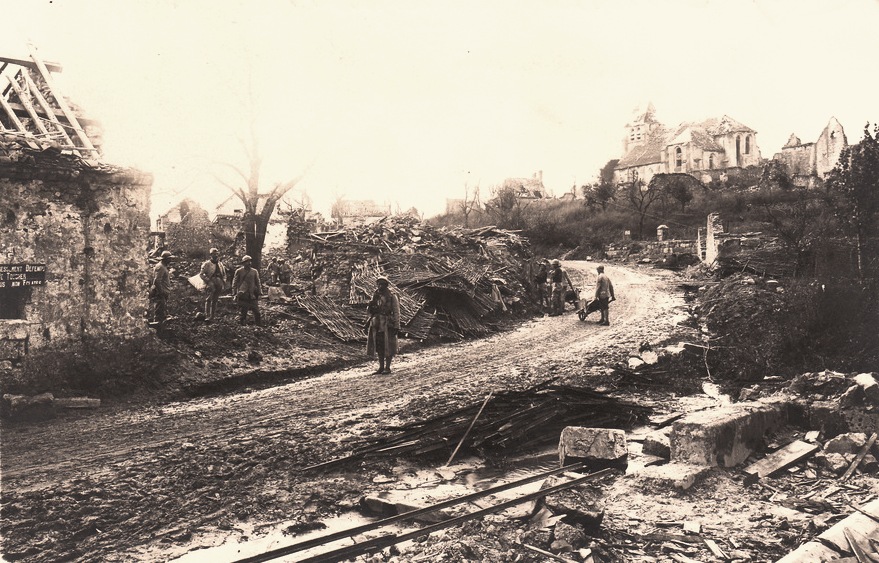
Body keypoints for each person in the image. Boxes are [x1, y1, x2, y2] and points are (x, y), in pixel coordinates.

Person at [366, 276, 400, 374]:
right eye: (378, 284)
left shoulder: (391, 296)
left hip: (387, 323)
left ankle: (387, 367)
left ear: (386, 285)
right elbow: (370, 311)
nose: (380, 286)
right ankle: (381, 367)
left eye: (382, 284)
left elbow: (396, 312)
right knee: (379, 346)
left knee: (388, 345)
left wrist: (397, 325)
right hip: (376, 324)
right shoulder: (375, 295)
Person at [232, 255, 262, 326]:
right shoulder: (239, 271)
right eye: (247, 262)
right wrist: (234, 293)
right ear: (243, 263)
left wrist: (260, 293)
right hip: (243, 295)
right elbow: (235, 282)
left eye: (250, 261)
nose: (249, 263)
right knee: (243, 313)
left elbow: (258, 282)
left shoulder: (254, 271)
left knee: (257, 312)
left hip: (252, 295)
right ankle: (242, 328)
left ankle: (259, 327)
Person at [199, 247, 227, 321]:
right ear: (210, 255)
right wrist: (208, 281)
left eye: (216, 254)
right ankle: (207, 315)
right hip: (211, 283)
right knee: (209, 299)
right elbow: (201, 274)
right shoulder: (207, 264)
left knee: (215, 299)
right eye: (214, 254)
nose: (216, 255)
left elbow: (224, 274)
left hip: (219, 282)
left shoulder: (220, 264)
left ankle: (212, 316)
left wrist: (223, 281)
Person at [149, 250, 173, 326]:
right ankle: (157, 329)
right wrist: (161, 292)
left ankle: (160, 327)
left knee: (162, 311)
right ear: (165, 259)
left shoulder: (163, 266)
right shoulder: (161, 267)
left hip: (163, 292)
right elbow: (157, 280)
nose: (170, 260)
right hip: (160, 293)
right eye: (169, 259)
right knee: (159, 312)